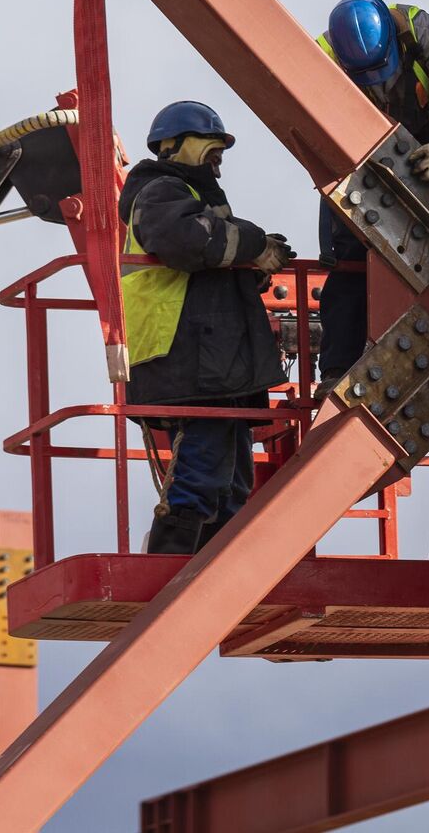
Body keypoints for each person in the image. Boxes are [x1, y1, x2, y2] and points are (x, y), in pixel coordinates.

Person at [120, 101, 293, 554]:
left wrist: (250, 265)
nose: (219, 153)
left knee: (234, 476)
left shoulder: (196, 200)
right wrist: (252, 245)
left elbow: (209, 256)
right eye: (211, 143)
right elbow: (187, 241)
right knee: (203, 465)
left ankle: (214, 560)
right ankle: (171, 556)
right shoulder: (158, 191)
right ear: (172, 145)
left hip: (213, 358)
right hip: (186, 353)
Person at [313, 0, 429, 384]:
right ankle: (338, 370)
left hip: (426, 145)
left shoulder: (419, 31)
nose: (380, 81)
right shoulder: (321, 59)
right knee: (352, 262)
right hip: (361, 159)